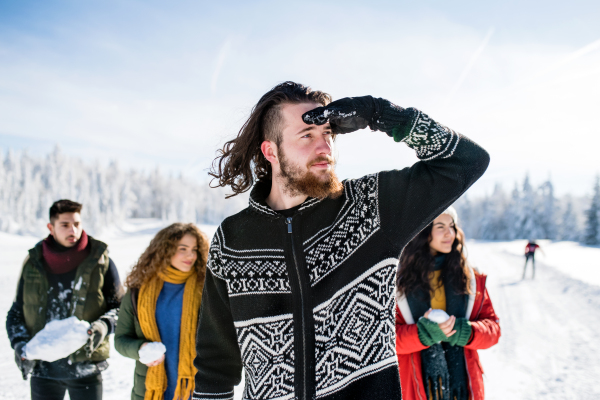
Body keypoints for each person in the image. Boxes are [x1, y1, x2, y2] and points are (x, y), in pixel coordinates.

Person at [192, 82, 490, 400]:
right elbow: (215, 363)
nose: (324, 148)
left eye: (327, 134)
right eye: (307, 135)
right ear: (271, 151)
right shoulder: (233, 239)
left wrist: (383, 114)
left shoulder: (369, 208)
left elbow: (467, 161)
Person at [6, 199, 123, 400]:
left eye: (77, 224)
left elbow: (121, 309)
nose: (73, 230)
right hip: (43, 370)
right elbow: (16, 312)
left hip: (87, 367)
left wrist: (103, 326)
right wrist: (19, 344)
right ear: (50, 227)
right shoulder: (33, 263)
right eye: (65, 225)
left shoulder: (101, 261)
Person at [395, 207, 501, 400]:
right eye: (440, 226)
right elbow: (385, 340)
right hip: (416, 387)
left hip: (464, 388)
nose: (449, 233)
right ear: (422, 231)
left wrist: (467, 332)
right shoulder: (396, 285)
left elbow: (493, 329)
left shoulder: (471, 278)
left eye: (452, 226)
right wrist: (421, 335)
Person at [115, 223, 209, 400]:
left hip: (197, 391)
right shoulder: (138, 291)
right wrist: (140, 349)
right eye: (183, 249)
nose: (191, 255)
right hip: (150, 392)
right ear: (165, 250)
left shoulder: (207, 290)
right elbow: (121, 339)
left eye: (194, 249)